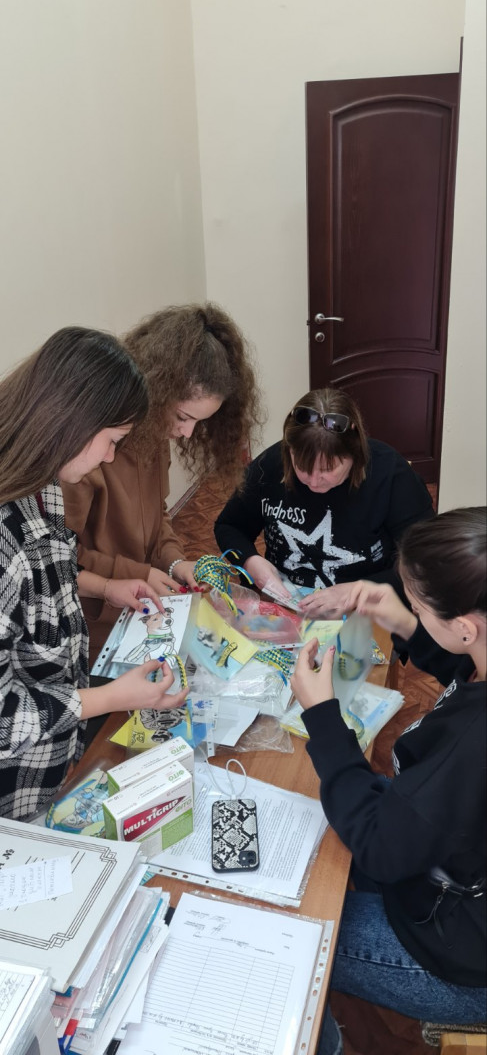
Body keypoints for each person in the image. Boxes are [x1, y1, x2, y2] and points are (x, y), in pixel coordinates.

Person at [290, 507, 486, 1052]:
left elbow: (381, 849)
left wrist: (322, 716)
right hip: (453, 868)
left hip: (463, 961)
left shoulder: (470, 745)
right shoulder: (479, 661)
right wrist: (404, 623)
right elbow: (464, 673)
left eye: (419, 607)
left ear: (465, 626)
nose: (413, 612)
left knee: (296, 925)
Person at [0, 327, 187, 821]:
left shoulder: (45, 483)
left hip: (58, 755)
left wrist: (106, 586)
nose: (109, 457)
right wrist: (108, 698)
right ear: (72, 420)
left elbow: (48, 572)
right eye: (111, 441)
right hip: (16, 790)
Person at [62, 302, 262, 662]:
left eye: (199, 422)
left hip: (139, 610)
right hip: (92, 625)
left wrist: (174, 562)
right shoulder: (85, 454)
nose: (187, 433)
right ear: (157, 389)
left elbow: (158, 515)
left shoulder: (153, 435)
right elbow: (59, 558)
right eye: (183, 416)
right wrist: (139, 574)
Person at [214, 387, 434, 617]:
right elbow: (229, 526)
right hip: (284, 605)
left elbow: (426, 561)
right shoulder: (268, 466)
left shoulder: (390, 473)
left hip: (366, 609)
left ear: (355, 453)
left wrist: (358, 591)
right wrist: (250, 561)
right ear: (289, 451)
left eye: (327, 469)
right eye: (301, 467)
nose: (313, 481)